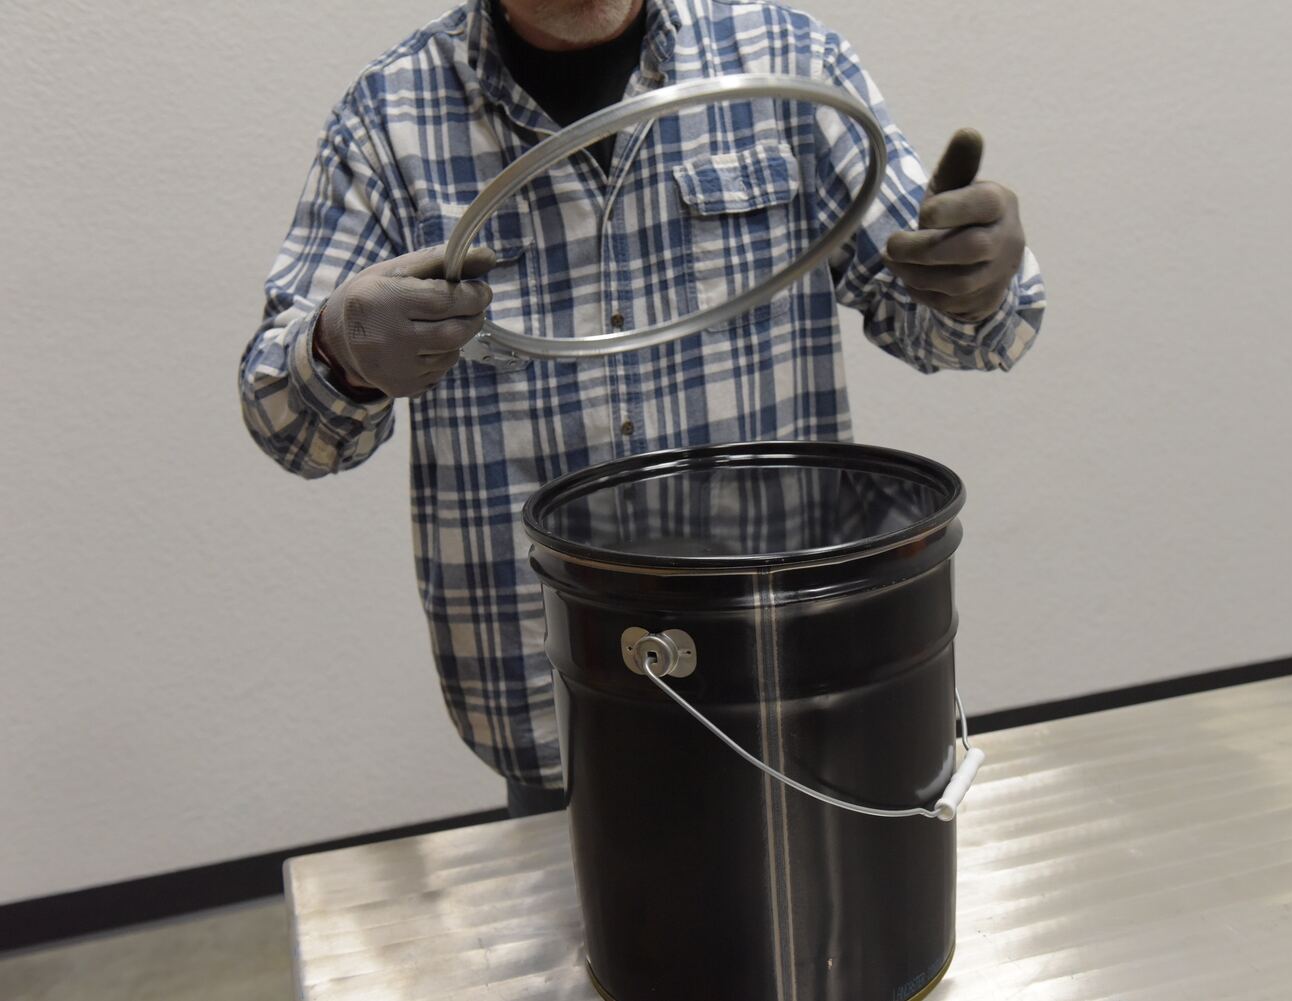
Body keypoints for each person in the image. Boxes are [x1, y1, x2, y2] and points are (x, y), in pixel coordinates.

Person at [239, 0, 1047, 818]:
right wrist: (339, 351)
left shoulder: (786, 63)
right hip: (558, 712)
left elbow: (957, 325)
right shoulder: (390, 119)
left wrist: (978, 278)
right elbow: (287, 424)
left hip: (787, 680)